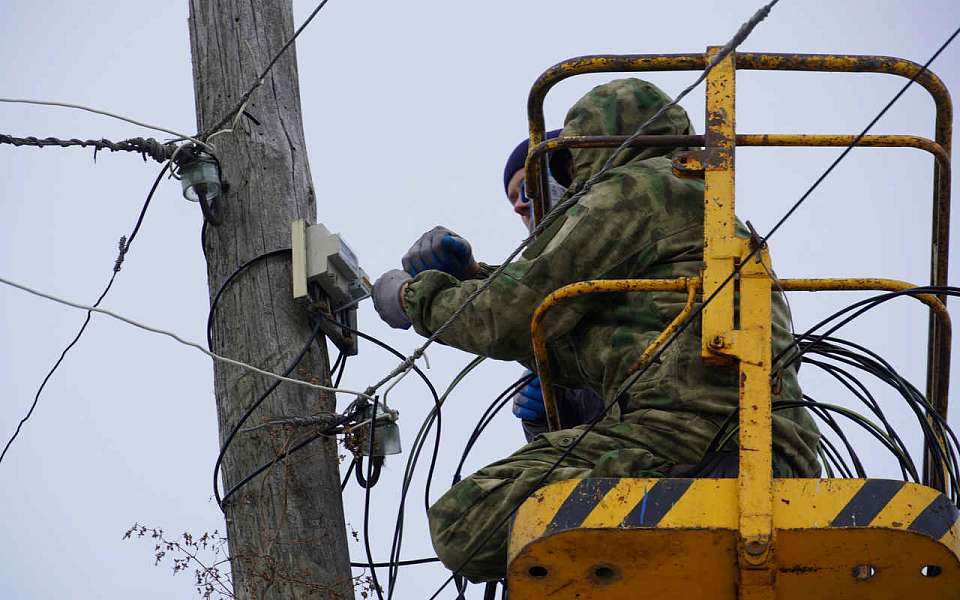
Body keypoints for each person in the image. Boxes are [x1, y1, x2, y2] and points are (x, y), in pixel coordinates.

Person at [372, 78, 821, 582]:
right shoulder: (711, 210)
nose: (530, 203)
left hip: (687, 442)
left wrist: (413, 297)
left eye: (550, 175)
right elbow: (599, 331)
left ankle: (686, 483)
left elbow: (506, 318)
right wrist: (478, 278)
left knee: (464, 524)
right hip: (784, 450)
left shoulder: (629, 190)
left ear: (589, 149)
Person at [501, 130, 606, 441]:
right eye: (512, 199)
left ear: (568, 172)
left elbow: (495, 317)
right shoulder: (551, 308)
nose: (519, 206)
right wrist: (548, 413)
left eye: (526, 188)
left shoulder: (607, 238)